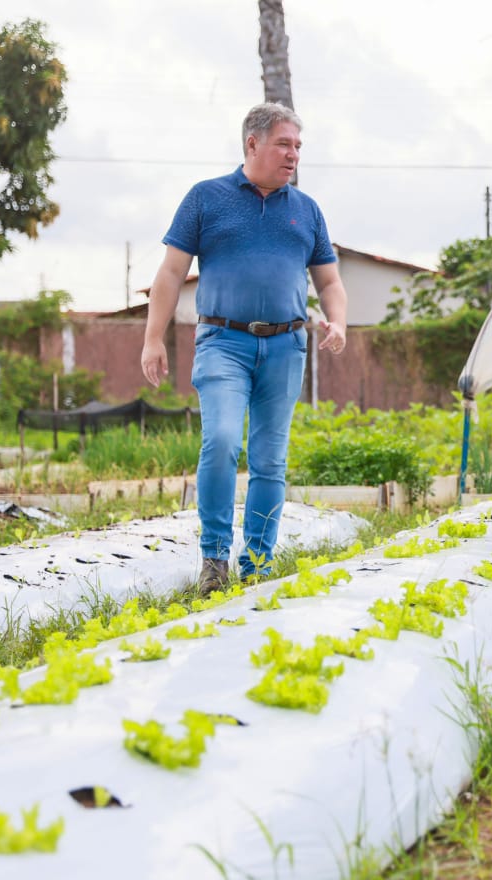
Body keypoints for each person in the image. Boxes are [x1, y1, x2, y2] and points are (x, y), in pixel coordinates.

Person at [140, 102, 347, 595]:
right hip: (222, 342)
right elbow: (170, 273)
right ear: (252, 143)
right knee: (223, 442)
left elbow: (330, 280)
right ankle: (214, 559)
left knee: (271, 460)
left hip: (285, 346)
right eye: (284, 143)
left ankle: (257, 563)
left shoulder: (306, 210)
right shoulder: (205, 199)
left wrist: (337, 320)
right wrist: (153, 337)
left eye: (298, 146)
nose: (293, 154)